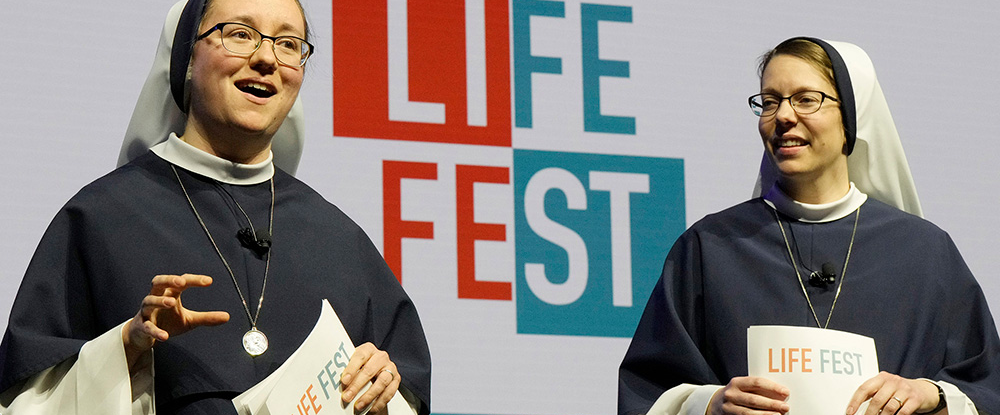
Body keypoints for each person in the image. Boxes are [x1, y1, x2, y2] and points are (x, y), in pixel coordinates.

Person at [0, 0, 432, 414]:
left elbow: (404, 393)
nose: (267, 58)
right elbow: (24, 400)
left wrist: (383, 395)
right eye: (240, 34)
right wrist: (125, 352)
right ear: (187, 58)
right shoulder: (101, 219)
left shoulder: (339, 241)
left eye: (288, 44)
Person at [618, 37, 1000, 415]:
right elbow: (645, 391)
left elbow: (987, 387)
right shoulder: (711, 246)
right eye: (770, 102)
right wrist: (708, 404)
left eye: (806, 99)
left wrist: (931, 395)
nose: (783, 116)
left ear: (851, 116)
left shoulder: (925, 251)